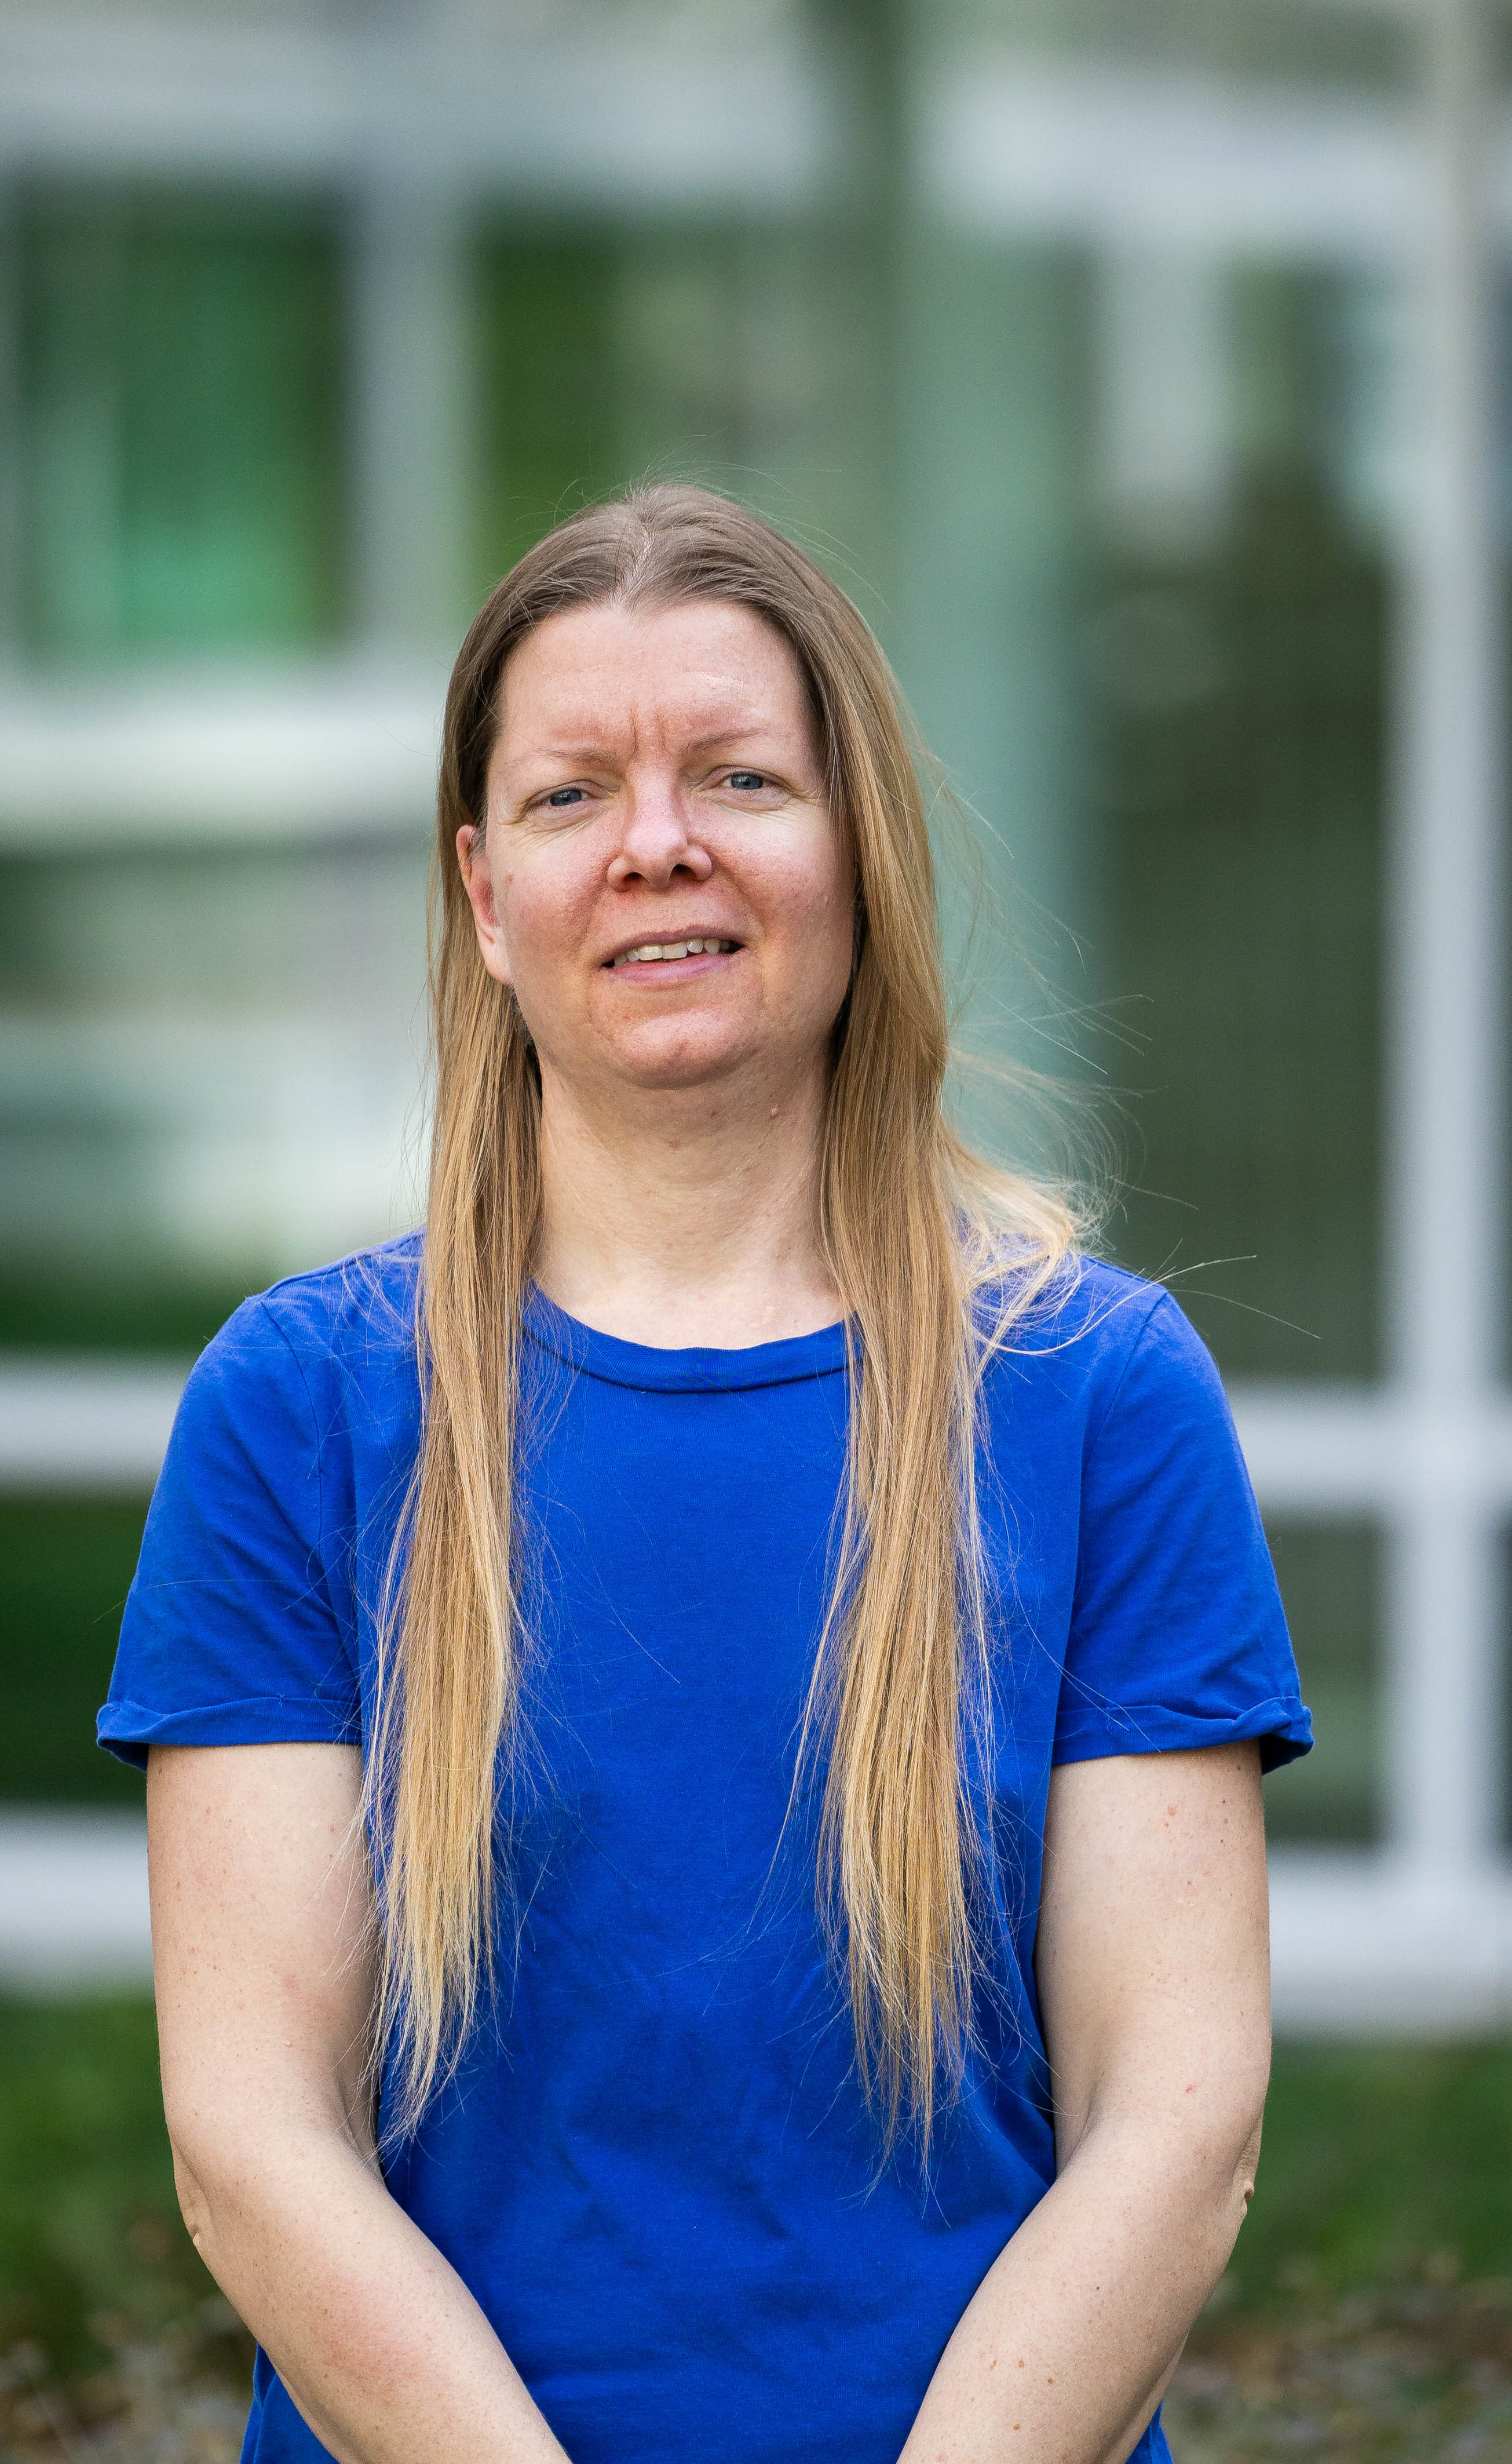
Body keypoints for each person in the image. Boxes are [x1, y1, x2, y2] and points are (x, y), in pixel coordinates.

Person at [101, 484, 1310, 2464]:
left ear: (860, 855)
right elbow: (254, 2139)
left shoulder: (1097, 1396)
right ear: (485, 896)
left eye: (739, 775)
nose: (658, 840)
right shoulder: (298, 1413)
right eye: (573, 794)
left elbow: (1175, 2118)